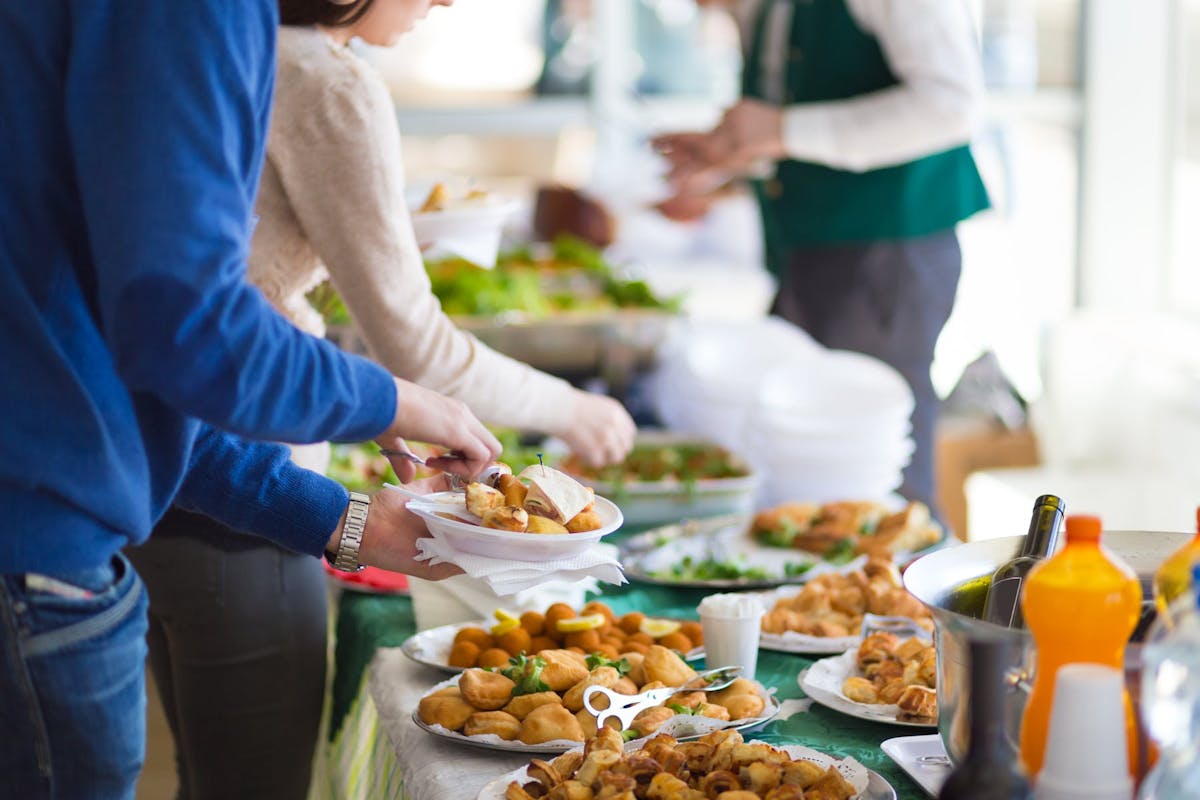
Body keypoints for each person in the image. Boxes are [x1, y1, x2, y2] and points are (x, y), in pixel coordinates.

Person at [127, 1, 638, 797]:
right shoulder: (328, 82)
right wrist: (575, 410)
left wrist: (361, 409)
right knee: (251, 783)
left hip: (162, 466)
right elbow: (412, 345)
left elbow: (245, 290)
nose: (445, 1)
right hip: (241, 487)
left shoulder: (220, 49)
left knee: (208, 769)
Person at [0, 2, 503, 798]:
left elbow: (129, 366)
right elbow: (187, 330)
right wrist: (392, 400)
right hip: (34, 560)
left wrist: (347, 522)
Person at [654, 0, 990, 521]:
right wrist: (738, 156)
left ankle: (907, 598)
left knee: (876, 476)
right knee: (807, 464)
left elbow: (950, 104)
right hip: (809, 249)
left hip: (887, 248)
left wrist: (782, 130)